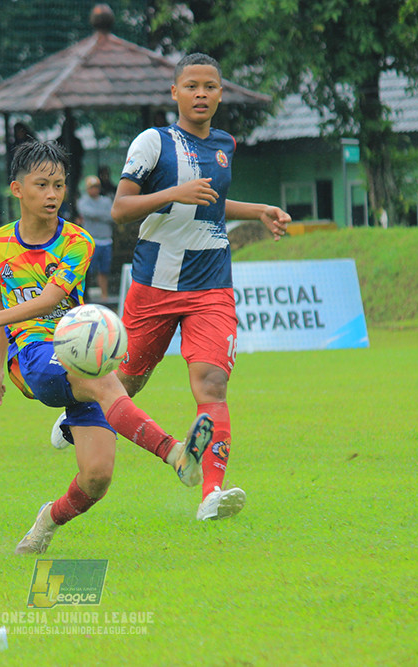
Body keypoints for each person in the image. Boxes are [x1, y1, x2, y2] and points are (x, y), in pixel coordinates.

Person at [0, 141, 214, 555]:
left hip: (77, 352)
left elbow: (51, 299)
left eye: (59, 185)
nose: (52, 194)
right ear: (17, 189)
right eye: (41, 185)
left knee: (97, 478)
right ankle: (176, 455)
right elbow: (6, 298)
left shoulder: (77, 241)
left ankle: (46, 522)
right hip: (35, 356)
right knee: (108, 384)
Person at [109, 53, 291, 521]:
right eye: (191, 86)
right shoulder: (154, 142)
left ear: (221, 93)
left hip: (211, 283)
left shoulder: (226, 143)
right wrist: (171, 193)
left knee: (211, 382)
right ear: (175, 93)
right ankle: (78, 417)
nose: (201, 94)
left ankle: (211, 492)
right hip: (155, 282)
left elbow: (211, 203)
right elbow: (121, 208)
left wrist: (258, 211)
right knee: (127, 381)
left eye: (210, 86)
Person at [75, 175, 114, 301]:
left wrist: (98, 216)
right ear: (87, 189)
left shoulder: (106, 201)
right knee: (88, 271)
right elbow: (88, 213)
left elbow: (112, 216)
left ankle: (104, 296)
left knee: (104, 271)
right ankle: (86, 296)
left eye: (96, 187)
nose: (94, 189)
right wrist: (103, 215)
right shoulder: (83, 201)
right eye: (92, 187)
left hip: (106, 240)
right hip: (91, 241)